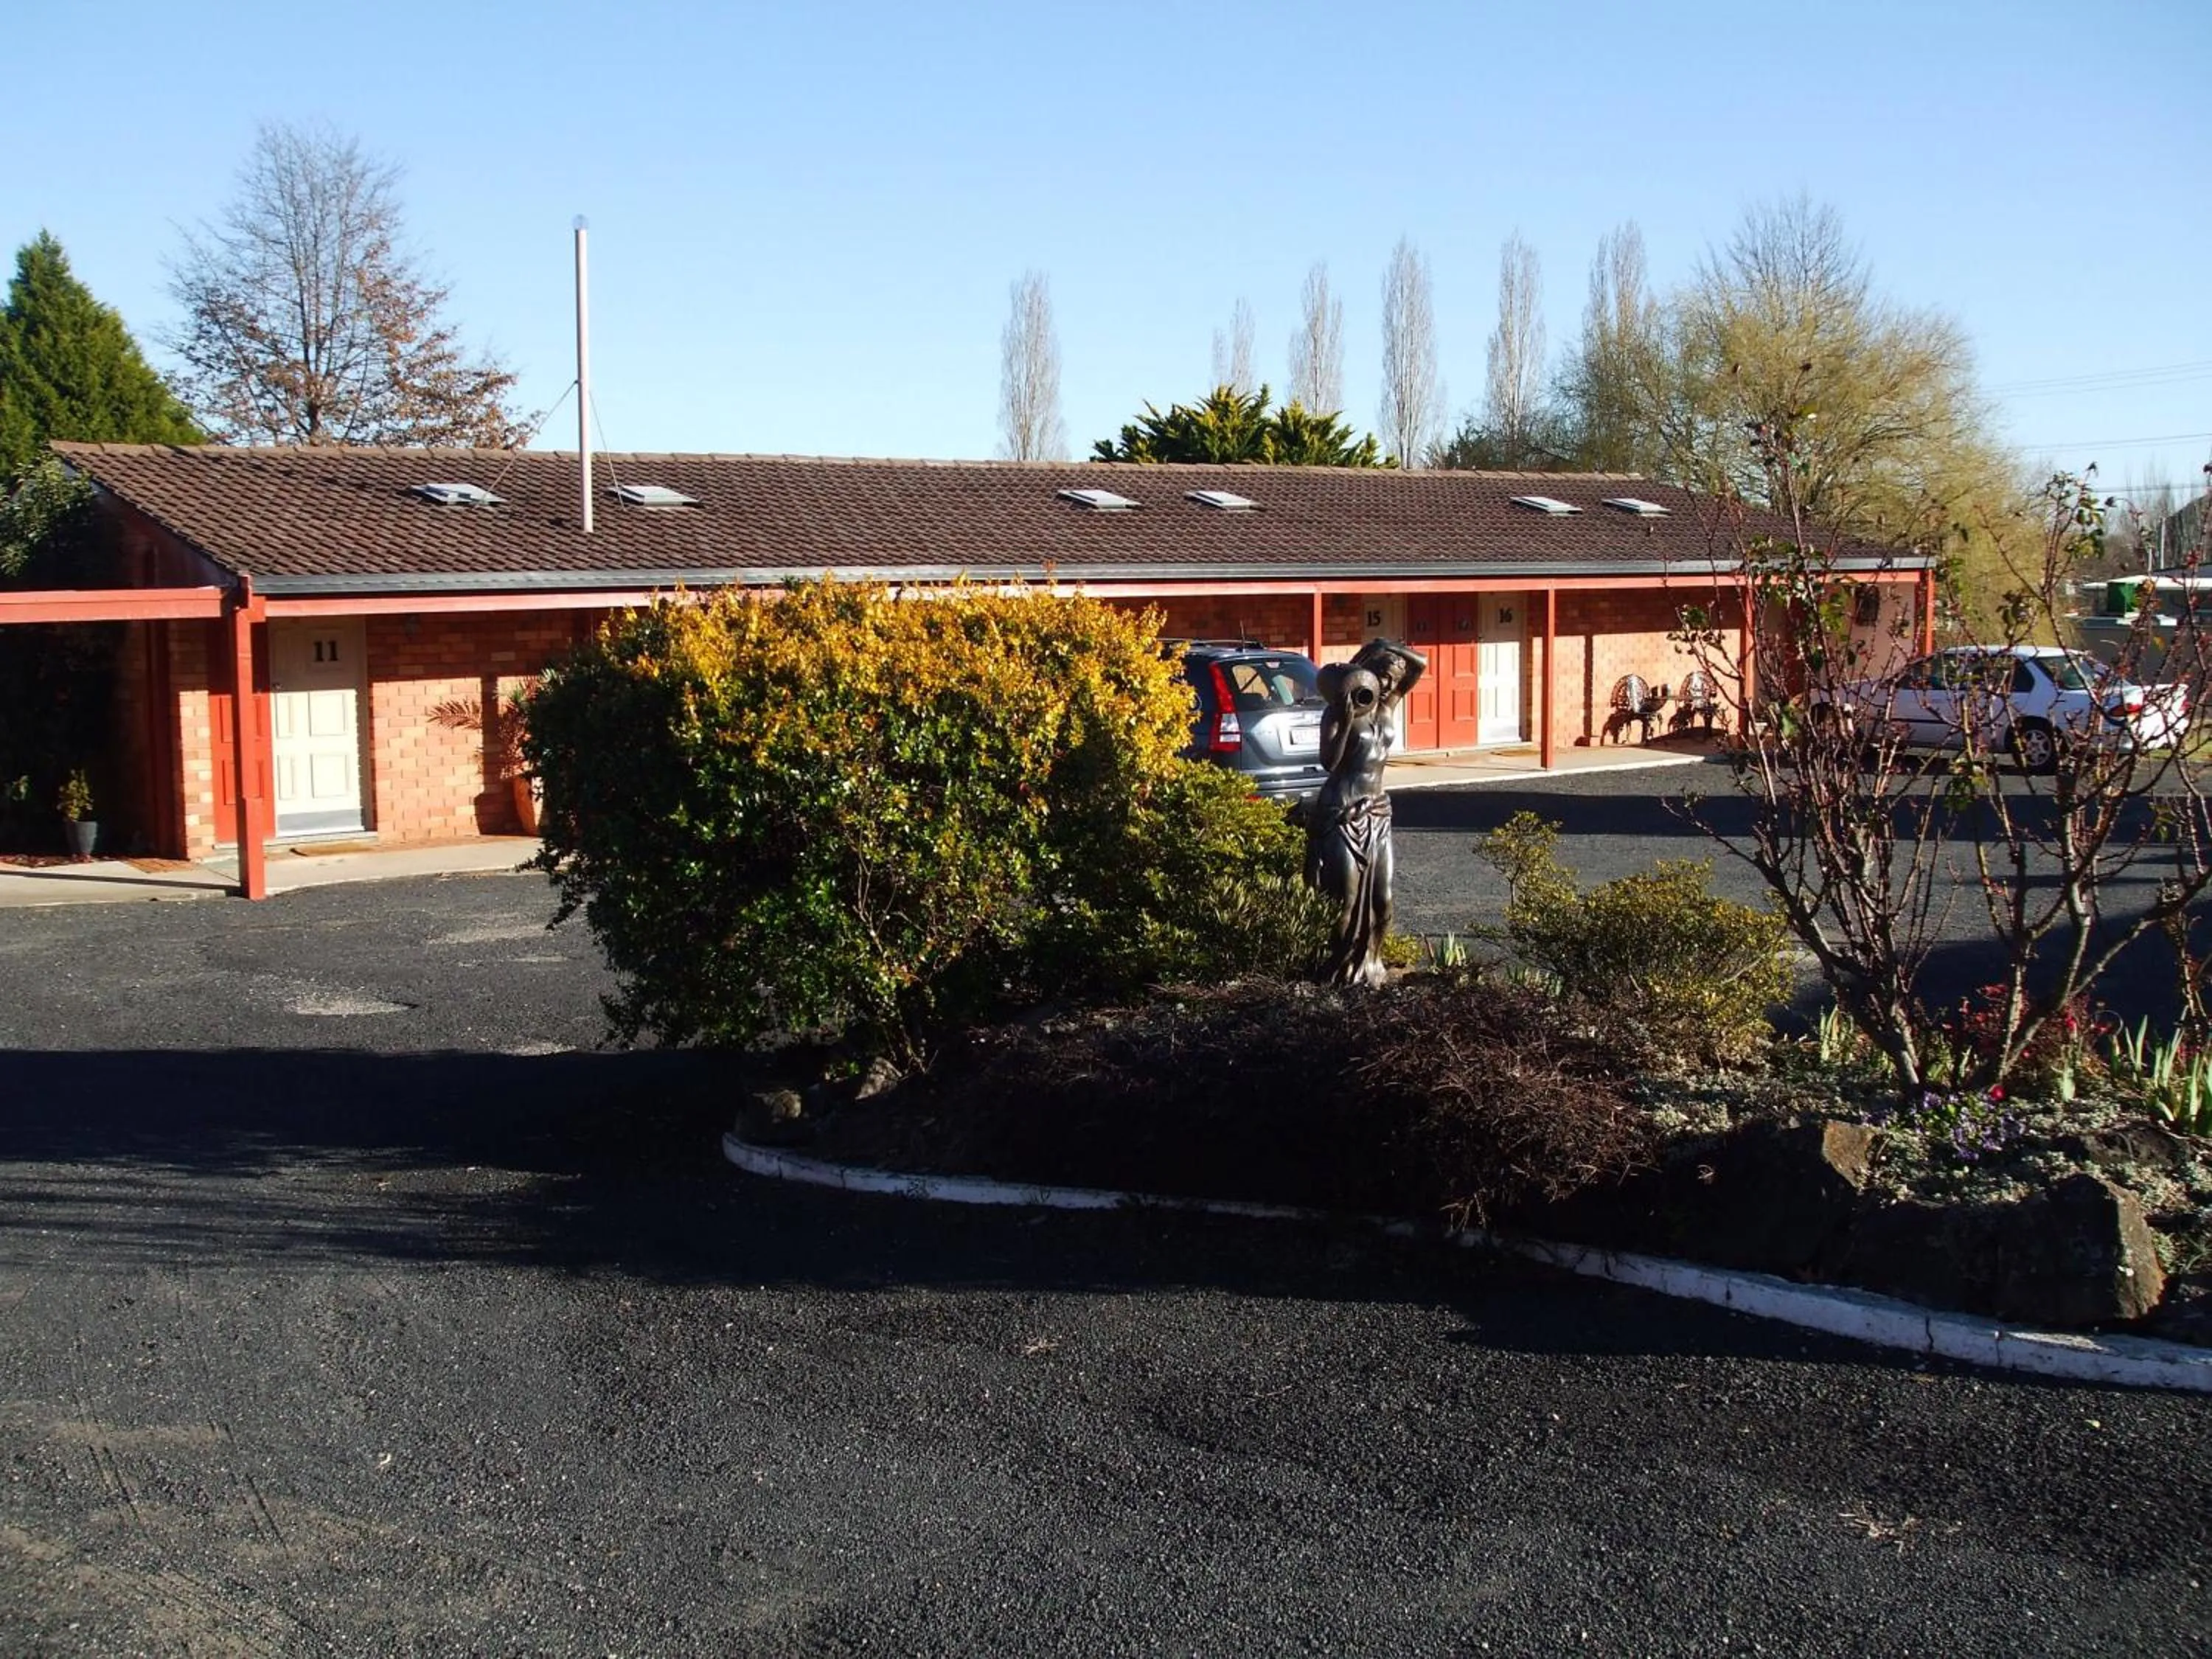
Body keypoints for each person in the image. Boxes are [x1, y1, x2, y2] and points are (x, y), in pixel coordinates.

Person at [1304, 639, 1426, 987]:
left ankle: (1372, 964)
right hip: (1343, 813)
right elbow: (1330, 763)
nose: (1388, 683)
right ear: (1367, 672)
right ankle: (1338, 971)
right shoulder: (1338, 711)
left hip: (1377, 812)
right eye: (1382, 675)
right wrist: (1345, 720)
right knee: (1345, 899)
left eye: (1393, 679)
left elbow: (1420, 665)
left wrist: (1386, 645)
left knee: (1383, 899)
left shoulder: (1388, 706)